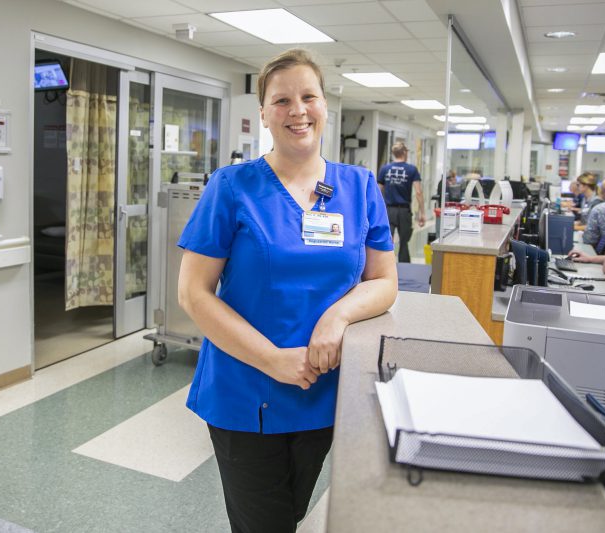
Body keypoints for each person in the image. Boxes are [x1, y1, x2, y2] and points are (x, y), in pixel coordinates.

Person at [176, 49, 398, 533]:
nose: (297, 110)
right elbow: (194, 293)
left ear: (325, 107)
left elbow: (383, 282)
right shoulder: (231, 187)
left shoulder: (360, 188)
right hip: (245, 389)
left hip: (321, 389)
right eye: (281, 100)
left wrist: (336, 318)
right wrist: (272, 359)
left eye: (308, 96)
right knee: (265, 525)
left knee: (289, 515)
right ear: (263, 113)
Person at [377, 141, 425, 262]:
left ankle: (386, 268)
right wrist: (422, 213)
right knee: (404, 243)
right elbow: (418, 192)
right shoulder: (412, 169)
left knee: (387, 241)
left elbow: (377, 192)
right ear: (404, 153)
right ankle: (405, 272)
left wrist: (377, 212)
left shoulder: (385, 169)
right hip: (404, 211)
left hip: (389, 211)